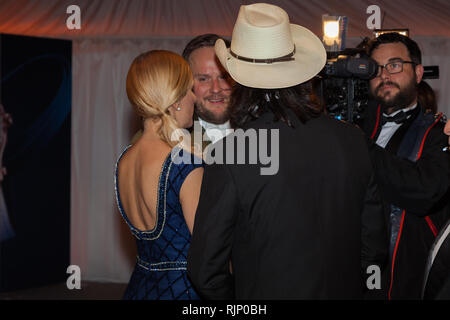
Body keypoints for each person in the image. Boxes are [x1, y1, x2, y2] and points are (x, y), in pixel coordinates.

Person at [187, 3, 388, 300]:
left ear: (238, 79)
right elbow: (373, 249)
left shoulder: (233, 153)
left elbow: (205, 272)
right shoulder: (352, 139)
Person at [361, 32, 449, 299]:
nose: (384, 75)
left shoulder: (438, 132)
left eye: (395, 65)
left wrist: (358, 146)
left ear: (419, 73)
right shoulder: (355, 128)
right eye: (376, 69)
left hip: (404, 276)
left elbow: (425, 192)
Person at [115, 50, 204, 299]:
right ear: (175, 99)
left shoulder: (125, 160)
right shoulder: (185, 163)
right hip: (184, 290)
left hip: (139, 289)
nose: (194, 98)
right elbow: (208, 251)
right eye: (189, 90)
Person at [131, 34, 234, 151]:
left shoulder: (256, 126)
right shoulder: (156, 137)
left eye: (224, 77)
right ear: (186, 85)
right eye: (203, 79)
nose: (216, 89)